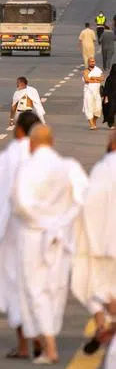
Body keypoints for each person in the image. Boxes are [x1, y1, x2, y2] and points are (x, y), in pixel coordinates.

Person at [11, 123, 88, 364]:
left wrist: (41, 221)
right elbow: (83, 199)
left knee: (35, 290)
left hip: (34, 235)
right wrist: (61, 222)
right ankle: (48, 341)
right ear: (52, 142)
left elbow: (20, 204)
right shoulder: (69, 167)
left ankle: (50, 347)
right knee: (55, 288)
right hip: (60, 236)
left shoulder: (26, 168)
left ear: (32, 145)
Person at [0, 110, 39, 358]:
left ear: (19, 130)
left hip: (14, 229)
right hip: (43, 231)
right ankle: (44, 339)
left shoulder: (10, 157)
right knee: (40, 286)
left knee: (16, 285)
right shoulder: (46, 157)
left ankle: (24, 344)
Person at [72, 133, 116, 326]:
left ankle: (101, 323)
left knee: (94, 284)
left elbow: (89, 203)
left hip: (103, 242)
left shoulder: (104, 168)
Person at [86, 61, 106, 130]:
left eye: (93, 61)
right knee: (89, 108)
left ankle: (94, 121)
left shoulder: (98, 70)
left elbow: (102, 78)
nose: (92, 63)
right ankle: (91, 124)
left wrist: (93, 77)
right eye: (91, 62)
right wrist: (97, 80)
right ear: (88, 63)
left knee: (98, 109)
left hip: (97, 93)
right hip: (88, 92)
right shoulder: (86, 71)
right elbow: (86, 80)